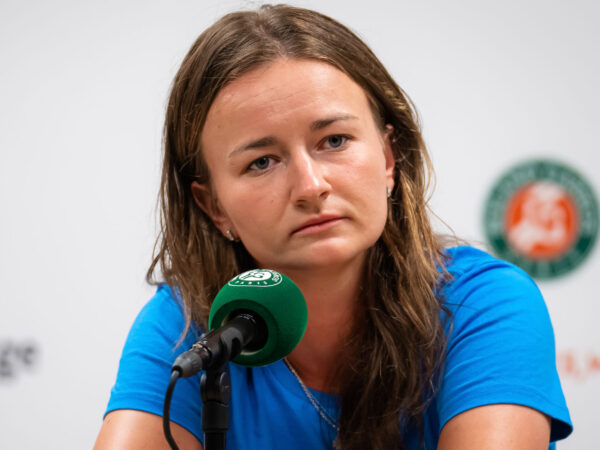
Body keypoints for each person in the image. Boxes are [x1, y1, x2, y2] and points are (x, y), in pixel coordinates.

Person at [94, 4, 572, 449]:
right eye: (262, 162)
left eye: (335, 140)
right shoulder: (188, 329)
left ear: (388, 157)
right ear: (213, 205)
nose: (310, 185)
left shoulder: (481, 304)